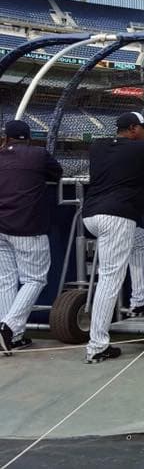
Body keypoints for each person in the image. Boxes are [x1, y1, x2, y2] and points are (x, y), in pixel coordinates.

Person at [82, 111, 144, 364]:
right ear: (132, 129)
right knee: (110, 278)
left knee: (141, 240)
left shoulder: (98, 146)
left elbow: (120, 170)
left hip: (90, 215)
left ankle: (140, 301)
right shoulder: (143, 147)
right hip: (117, 217)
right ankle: (97, 345)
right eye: (143, 127)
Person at [0, 120, 63, 355]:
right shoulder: (37, 154)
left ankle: (11, 337)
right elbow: (57, 173)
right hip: (27, 227)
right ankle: (8, 328)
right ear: (28, 137)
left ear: (7, 138)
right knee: (34, 280)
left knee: (6, 281)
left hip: (1, 227)